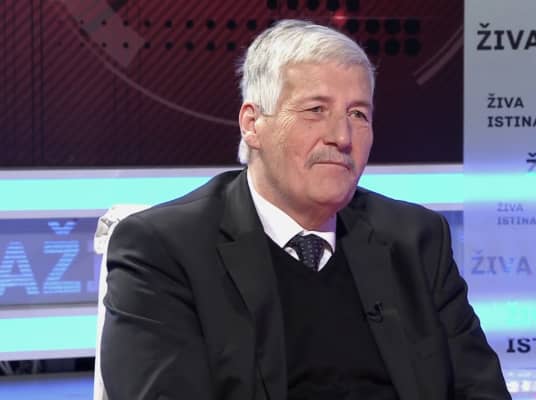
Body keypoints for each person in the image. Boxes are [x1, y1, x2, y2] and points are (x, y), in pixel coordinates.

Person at [101, 19, 510, 400]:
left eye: (358, 114)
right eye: (316, 110)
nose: (342, 137)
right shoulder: (164, 249)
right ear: (252, 124)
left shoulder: (416, 239)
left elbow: (482, 391)